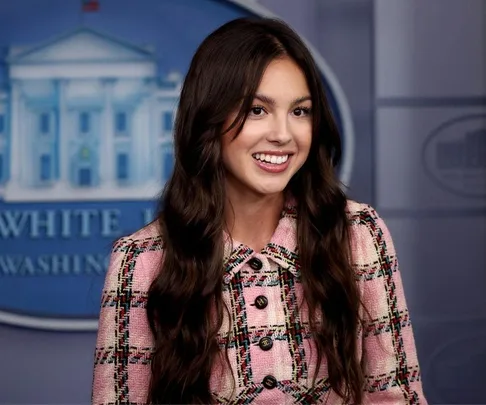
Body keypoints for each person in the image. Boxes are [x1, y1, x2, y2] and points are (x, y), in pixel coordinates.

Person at [92, 17, 427, 405]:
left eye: (300, 111)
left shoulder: (357, 232)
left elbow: (397, 396)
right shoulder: (141, 260)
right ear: (208, 119)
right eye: (257, 110)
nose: (283, 134)